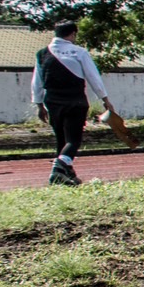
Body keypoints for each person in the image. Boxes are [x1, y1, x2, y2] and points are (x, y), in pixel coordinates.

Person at [31, 19, 117, 186]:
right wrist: (105, 100)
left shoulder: (42, 53)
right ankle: (58, 170)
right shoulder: (78, 52)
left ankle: (67, 175)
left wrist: (39, 105)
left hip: (52, 101)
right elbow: (93, 77)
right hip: (75, 100)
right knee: (73, 140)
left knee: (61, 139)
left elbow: (37, 81)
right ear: (73, 34)